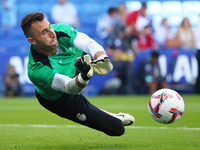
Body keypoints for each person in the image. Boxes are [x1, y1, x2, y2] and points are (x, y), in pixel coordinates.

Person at [20, 12, 135, 136]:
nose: (52, 33)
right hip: (59, 97)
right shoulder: (37, 69)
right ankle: (107, 115)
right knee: (117, 129)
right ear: (32, 40)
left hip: (77, 63)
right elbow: (69, 87)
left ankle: (86, 64)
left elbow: (87, 42)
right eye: (44, 32)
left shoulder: (59, 30)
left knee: (83, 54)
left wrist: (102, 57)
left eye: (49, 27)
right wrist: (84, 76)